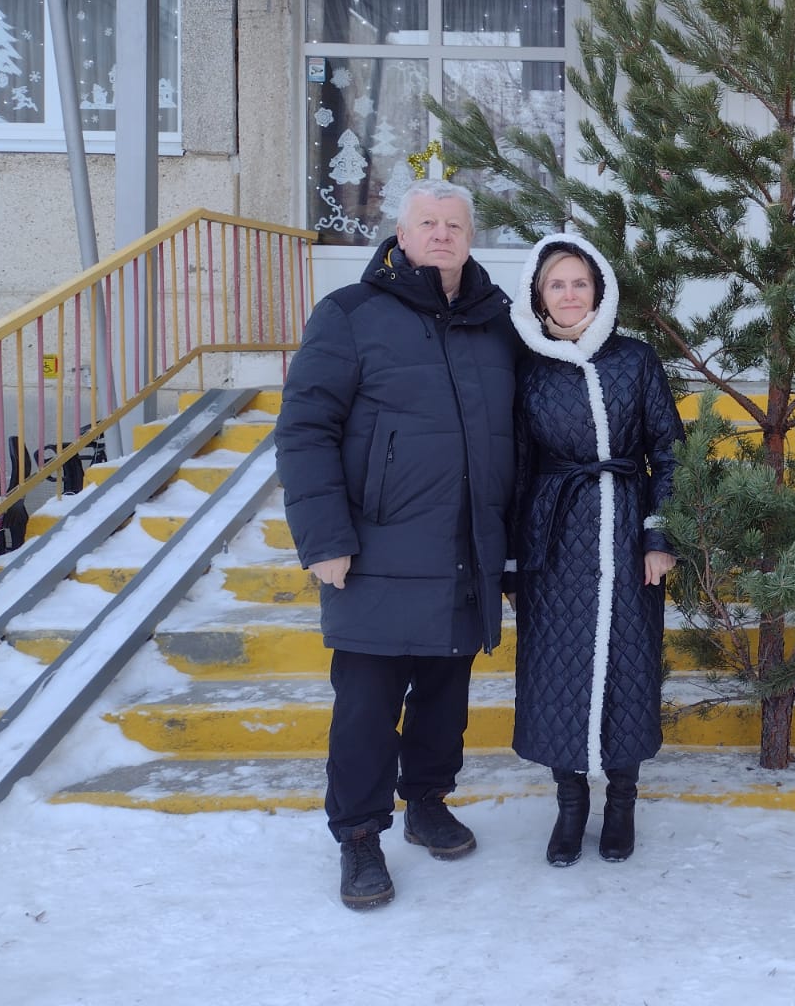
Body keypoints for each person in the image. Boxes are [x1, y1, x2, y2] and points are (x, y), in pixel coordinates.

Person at [274, 181, 521, 910]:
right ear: (402, 235)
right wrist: (323, 539)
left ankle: (428, 802)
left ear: (470, 237)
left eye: (454, 224)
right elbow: (305, 429)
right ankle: (357, 837)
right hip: (375, 551)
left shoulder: (496, 324)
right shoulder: (349, 315)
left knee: (446, 697)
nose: (441, 234)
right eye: (427, 223)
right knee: (365, 708)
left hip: (463, 550)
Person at [508, 233, 682, 867]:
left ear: (599, 289)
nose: (570, 293)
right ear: (539, 293)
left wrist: (658, 536)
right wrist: (512, 556)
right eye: (558, 283)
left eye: (580, 282)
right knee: (556, 669)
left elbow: (668, 451)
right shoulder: (526, 366)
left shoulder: (635, 360)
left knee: (628, 667)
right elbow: (516, 465)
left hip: (625, 529)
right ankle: (570, 806)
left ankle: (624, 802)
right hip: (552, 538)